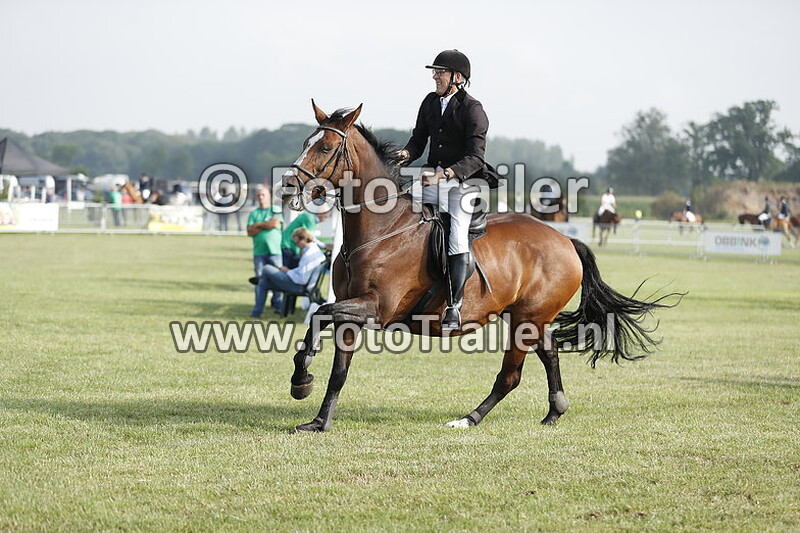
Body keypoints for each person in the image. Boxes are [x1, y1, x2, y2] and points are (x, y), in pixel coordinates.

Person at [396, 49, 501, 331]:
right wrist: (405, 154)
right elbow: (418, 140)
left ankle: (454, 304)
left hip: (462, 184)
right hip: (432, 180)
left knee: (456, 234)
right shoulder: (430, 102)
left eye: (440, 72)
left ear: (457, 77)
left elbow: (476, 157)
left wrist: (446, 174)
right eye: (435, 72)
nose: (435, 76)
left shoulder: (473, 109)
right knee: (398, 209)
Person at [251, 227, 326, 317]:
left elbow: (301, 279)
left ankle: (256, 311)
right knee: (263, 283)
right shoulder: (315, 250)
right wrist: (289, 271)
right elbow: (301, 271)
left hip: (299, 286)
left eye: (297, 242)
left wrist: (288, 272)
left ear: (304, 239)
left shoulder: (308, 255)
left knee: (266, 268)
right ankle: (256, 313)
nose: (296, 245)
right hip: (303, 284)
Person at [247, 186, 283, 309]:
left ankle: (277, 305)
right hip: (259, 252)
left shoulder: (275, 209)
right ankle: (259, 305)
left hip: (275, 251)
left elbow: (275, 224)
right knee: (259, 279)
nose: (261, 197)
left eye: (263, 195)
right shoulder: (254, 213)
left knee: (278, 279)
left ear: (269, 196)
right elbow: (249, 232)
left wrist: (257, 225)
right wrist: (266, 225)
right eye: (259, 195)